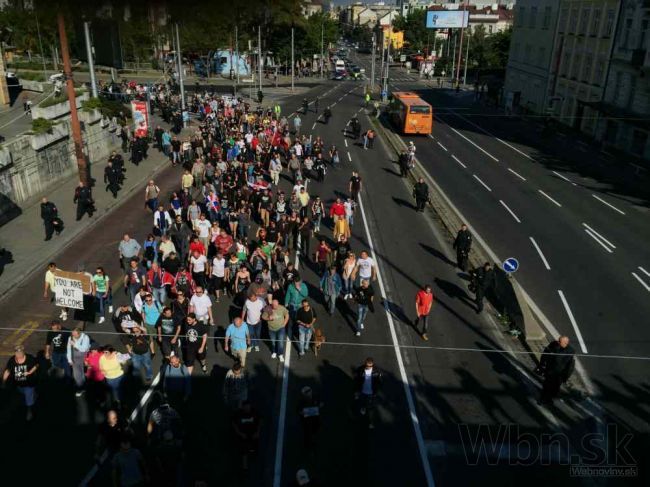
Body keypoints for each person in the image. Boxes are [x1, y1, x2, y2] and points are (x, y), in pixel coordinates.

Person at [2, 345, 38, 421]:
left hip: (28, 384)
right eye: (17, 353)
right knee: (20, 397)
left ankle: (29, 411)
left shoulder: (29, 358)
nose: (18, 355)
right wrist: (3, 381)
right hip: (17, 385)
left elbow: (36, 365)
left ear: (23, 352)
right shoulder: (12, 360)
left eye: (20, 353)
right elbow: (8, 371)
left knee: (28, 397)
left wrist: (30, 372)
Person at [538, 336, 575, 405]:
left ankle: (549, 399)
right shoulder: (553, 345)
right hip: (549, 371)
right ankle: (543, 398)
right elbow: (545, 354)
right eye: (558, 341)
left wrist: (566, 376)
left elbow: (570, 366)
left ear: (565, 343)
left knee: (555, 388)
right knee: (546, 386)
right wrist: (541, 365)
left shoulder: (570, 351)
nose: (558, 342)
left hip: (559, 374)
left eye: (559, 342)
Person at [354, 357, 383, 429]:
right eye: (367, 365)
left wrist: (376, 391)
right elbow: (357, 380)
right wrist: (356, 391)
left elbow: (379, 382)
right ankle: (362, 411)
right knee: (361, 404)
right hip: (362, 392)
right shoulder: (360, 370)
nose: (368, 367)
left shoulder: (377, 371)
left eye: (370, 366)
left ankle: (370, 423)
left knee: (370, 409)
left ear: (372, 365)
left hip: (371, 393)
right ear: (365, 364)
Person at [232, 401, 261, 471]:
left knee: (253, 447)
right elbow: (233, 423)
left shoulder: (254, 412)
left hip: (252, 434)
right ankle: (245, 468)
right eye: (245, 407)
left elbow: (260, 421)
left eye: (248, 406)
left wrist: (257, 432)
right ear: (243, 407)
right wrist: (240, 433)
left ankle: (253, 453)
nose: (247, 408)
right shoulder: (238, 413)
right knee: (244, 451)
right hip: (243, 435)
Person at [67, 327, 91, 397]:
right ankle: (80, 388)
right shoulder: (70, 338)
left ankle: (83, 387)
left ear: (79, 333)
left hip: (84, 358)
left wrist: (75, 344)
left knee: (83, 374)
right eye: (72, 334)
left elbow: (84, 349)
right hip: (75, 359)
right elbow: (68, 349)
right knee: (77, 375)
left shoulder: (85, 338)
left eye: (75, 335)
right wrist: (69, 359)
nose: (73, 336)